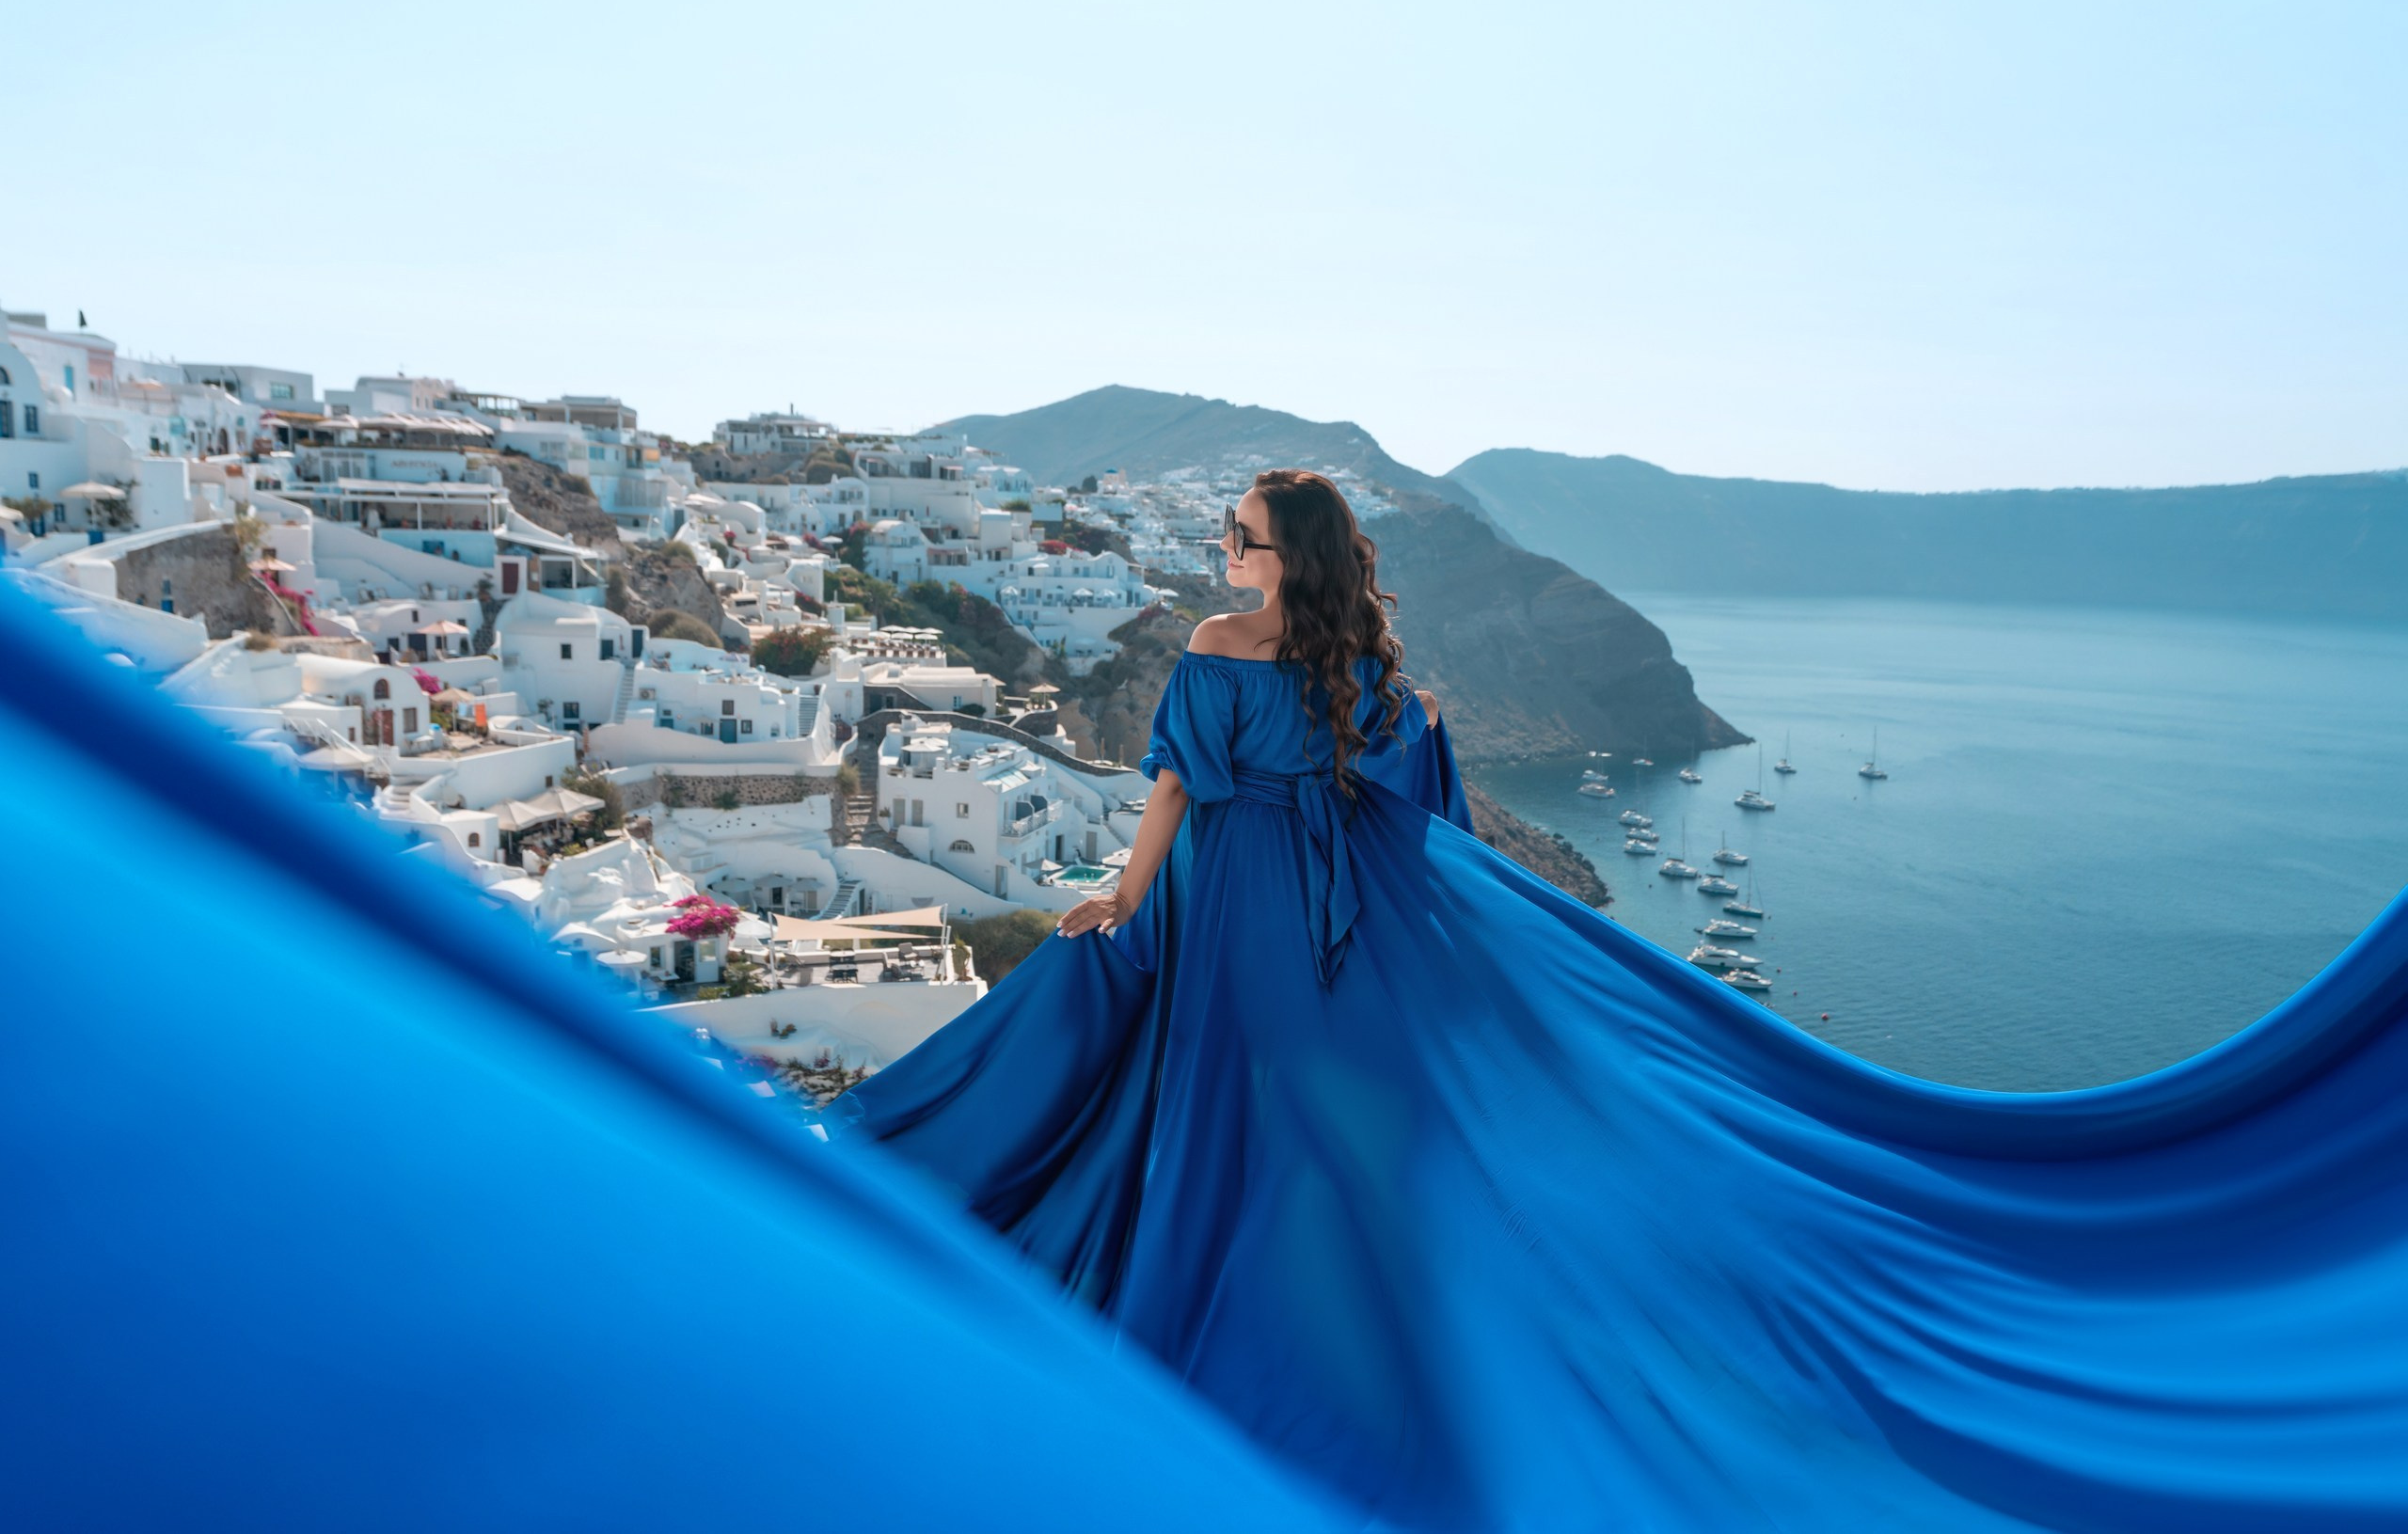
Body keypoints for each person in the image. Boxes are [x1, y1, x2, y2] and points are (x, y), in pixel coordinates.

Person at [825, 470, 2408, 1531]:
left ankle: (1322, 1361)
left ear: (1286, 555)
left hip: (1298, 934)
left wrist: (1195, 879)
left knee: (1301, 1144)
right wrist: (1115, 895)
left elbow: (1315, 809)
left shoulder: (1310, 664)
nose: (1220, 555)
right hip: (1281, 928)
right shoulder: (1280, 658)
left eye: (1241, 536)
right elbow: (1207, 795)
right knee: (1265, 1131)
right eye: (1225, 533)